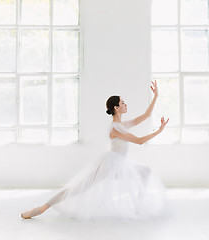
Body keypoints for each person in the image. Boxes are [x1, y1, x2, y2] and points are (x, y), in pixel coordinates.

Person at [21, 80, 170, 221]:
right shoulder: (116, 128)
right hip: (110, 164)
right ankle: (42, 208)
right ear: (116, 108)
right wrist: (159, 131)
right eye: (122, 103)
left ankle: (138, 206)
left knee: (145, 171)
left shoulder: (123, 125)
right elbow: (139, 141)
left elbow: (146, 115)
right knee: (78, 188)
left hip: (120, 163)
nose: (126, 104)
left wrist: (156, 95)